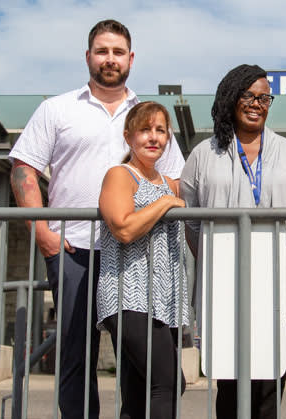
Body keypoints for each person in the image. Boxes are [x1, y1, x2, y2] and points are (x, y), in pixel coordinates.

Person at [9, 19, 185, 419]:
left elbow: (175, 180)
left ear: (131, 58)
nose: (110, 59)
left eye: (118, 52)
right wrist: (41, 232)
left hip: (134, 258)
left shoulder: (148, 116)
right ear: (88, 56)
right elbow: (24, 168)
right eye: (102, 51)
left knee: (137, 365)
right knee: (75, 354)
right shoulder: (57, 109)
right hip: (73, 248)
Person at [180, 64, 286, 419]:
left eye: (264, 97)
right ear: (231, 98)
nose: (257, 103)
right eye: (248, 95)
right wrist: (215, 260)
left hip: (282, 286)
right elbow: (190, 218)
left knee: (269, 386)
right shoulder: (203, 155)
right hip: (226, 288)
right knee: (229, 385)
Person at [97, 101, 189, 419]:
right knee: (168, 382)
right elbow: (123, 228)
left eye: (160, 130)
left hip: (163, 302)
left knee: (137, 395)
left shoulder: (169, 183)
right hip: (128, 298)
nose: (153, 137)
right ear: (128, 136)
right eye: (145, 130)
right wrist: (163, 203)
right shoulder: (120, 175)